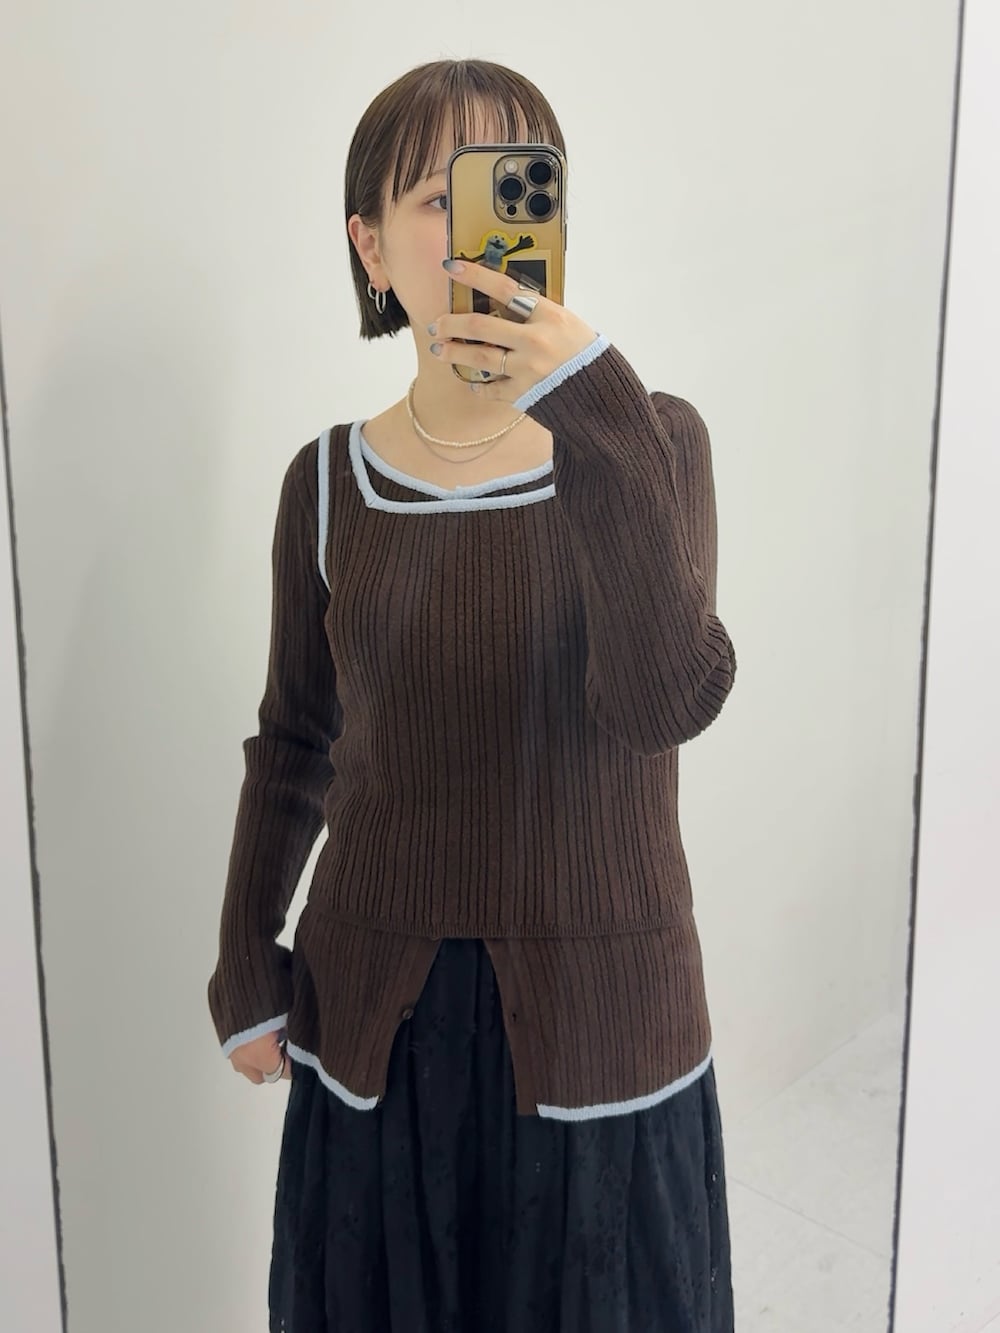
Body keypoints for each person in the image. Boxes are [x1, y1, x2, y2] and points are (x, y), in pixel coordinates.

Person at [207, 57, 738, 1333]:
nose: (474, 228)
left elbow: (666, 698)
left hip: (605, 1030)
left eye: (510, 184)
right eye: (434, 199)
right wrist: (242, 960)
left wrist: (589, 396)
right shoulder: (325, 485)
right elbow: (294, 740)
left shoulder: (652, 439)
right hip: (373, 1029)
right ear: (370, 246)